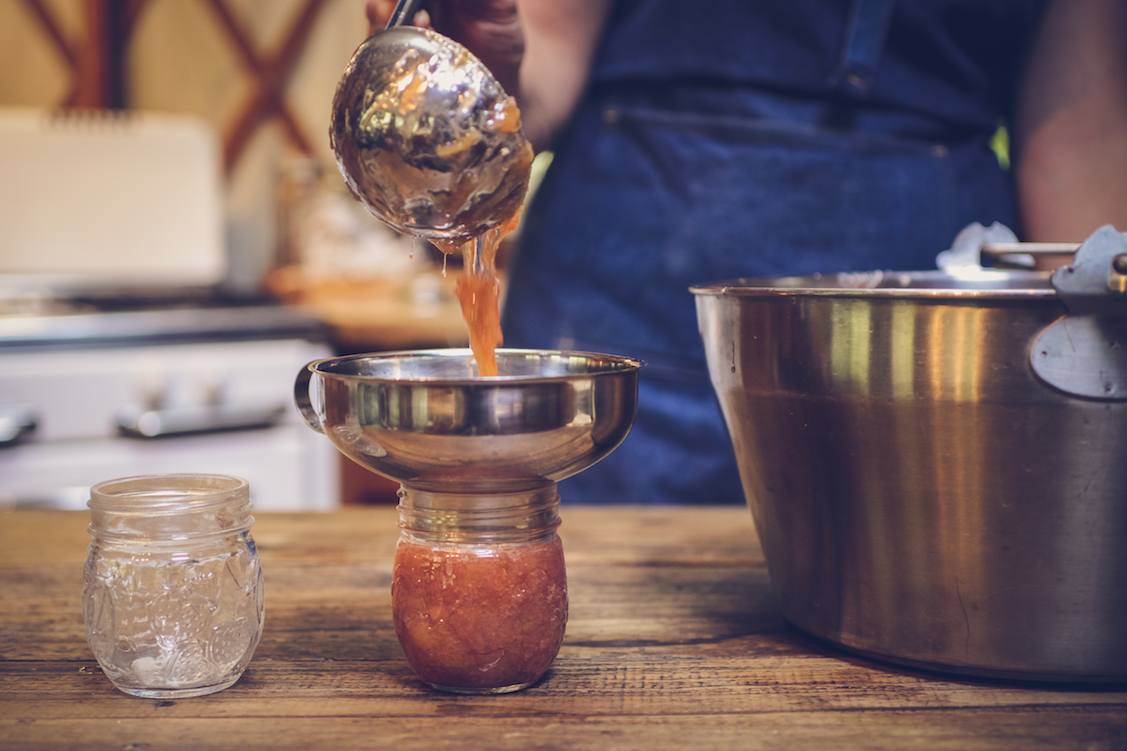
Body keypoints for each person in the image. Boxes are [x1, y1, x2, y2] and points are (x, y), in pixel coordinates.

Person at [366, 0, 1127, 504]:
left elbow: (1080, 138)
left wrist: (1091, 385)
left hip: (932, 367)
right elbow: (545, 66)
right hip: (624, 333)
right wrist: (481, 75)